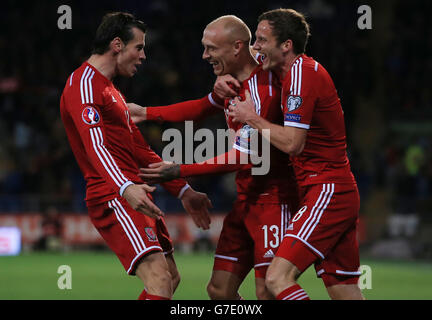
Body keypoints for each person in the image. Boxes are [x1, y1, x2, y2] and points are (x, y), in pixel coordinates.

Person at [130, 15, 298, 300]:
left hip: (275, 201)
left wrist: (180, 170)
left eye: (211, 48)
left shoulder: (265, 92)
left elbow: (243, 157)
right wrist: (145, 113)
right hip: (246, 200)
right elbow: (202, 106)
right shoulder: (233, 83)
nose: (204, 55)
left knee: (267, 290)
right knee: (219, 291)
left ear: (236, 47)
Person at [60, 12, 212, 300]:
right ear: (117, 44)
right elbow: (96, 145)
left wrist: (184, 192)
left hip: (133, 191)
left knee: (170, 277)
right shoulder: (83, 84)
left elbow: (140, 151)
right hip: (114, 194)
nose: (143, 56)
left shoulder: (111, 91)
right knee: (160, 280)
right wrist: (125, 187)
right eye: (139, 47)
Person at [227, 9, 364, 300]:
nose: (256, 47)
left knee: (277, 279)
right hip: (333, 189)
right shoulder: (288, 76)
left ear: (286, 45)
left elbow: (292, 144)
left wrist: (251, 118)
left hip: (326, 189)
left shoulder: (300, 73)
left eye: (262, 40)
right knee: (345, 291)